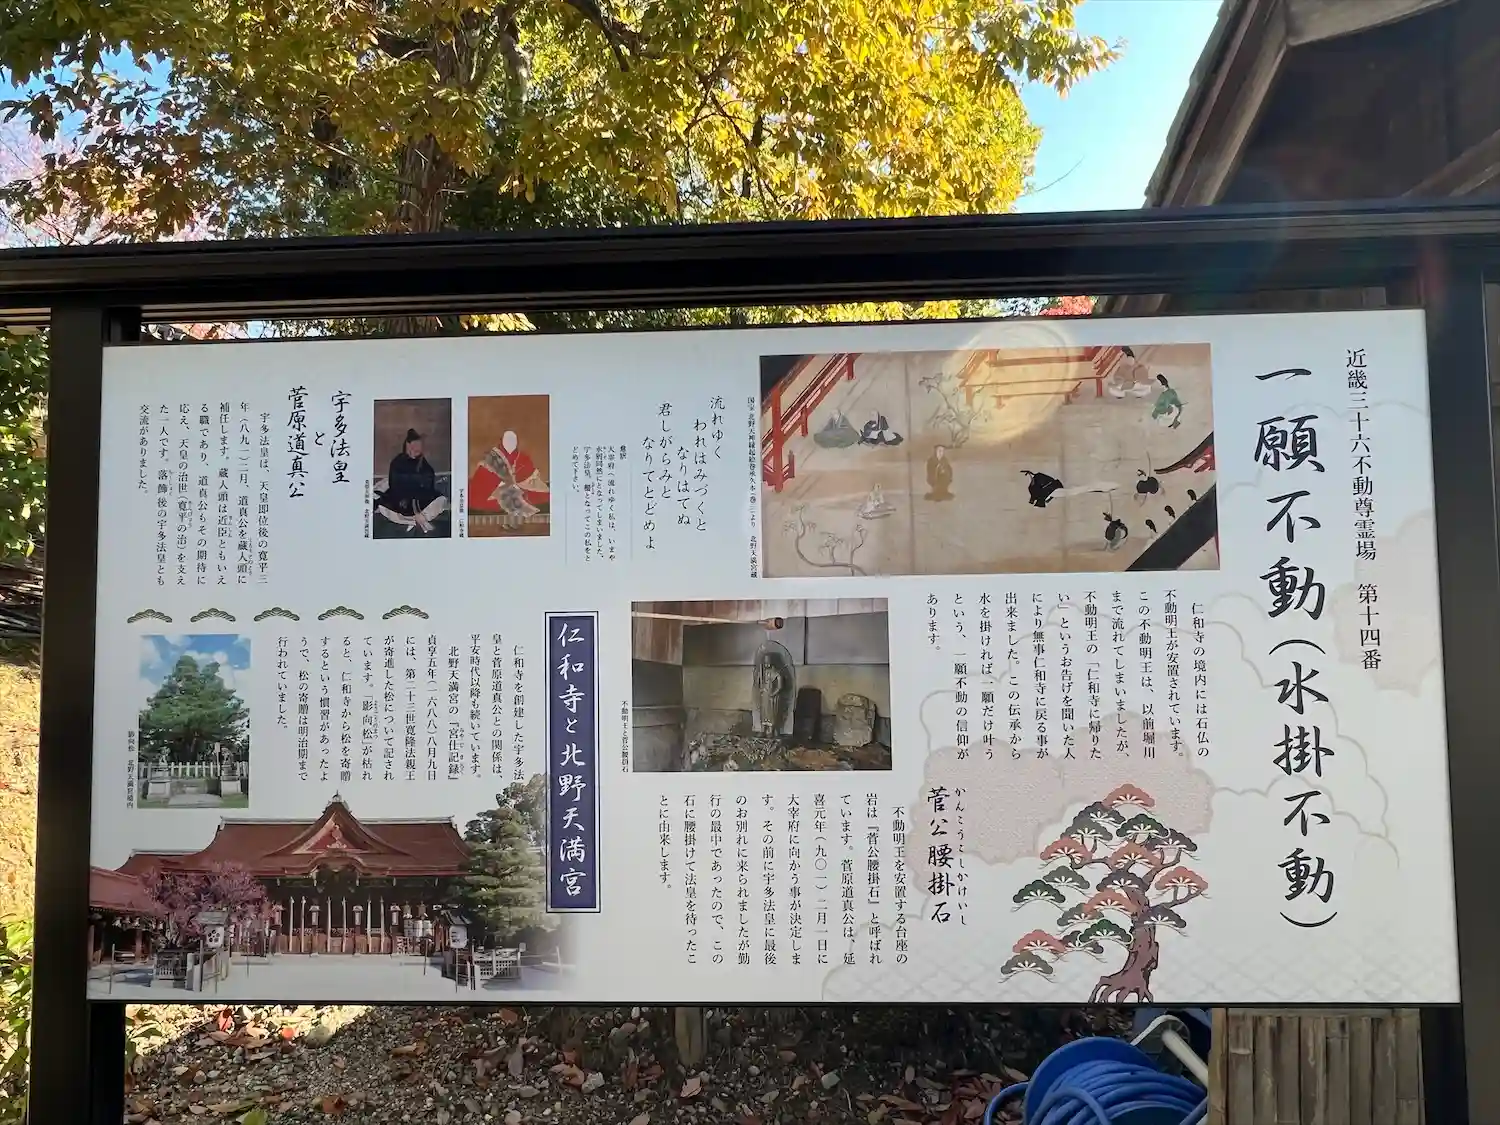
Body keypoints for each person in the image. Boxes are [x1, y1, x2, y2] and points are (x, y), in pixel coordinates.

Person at [375, 429, 449, 535]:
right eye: (413, 445)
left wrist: (419, 495)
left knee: (441, 500)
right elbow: (394, 484)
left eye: (419, 446)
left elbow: (428, 485)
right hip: (401, 500)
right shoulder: (398, 462)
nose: (416, 449)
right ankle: (415, 521)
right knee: (385, 507)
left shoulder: (424, 465)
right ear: (407, 446)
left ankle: (417, 519)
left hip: (420, 500)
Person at [471, 429, 550, 514]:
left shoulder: (523, 458)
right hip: (499, 492)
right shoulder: (492, 458)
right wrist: (503, 485)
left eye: (513, 440)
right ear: (502, 441)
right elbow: (483, 481)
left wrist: (519, 485)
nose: (510, 443)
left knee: (542, 496)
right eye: (507, 440)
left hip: (522, 490)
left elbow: (531, 479)